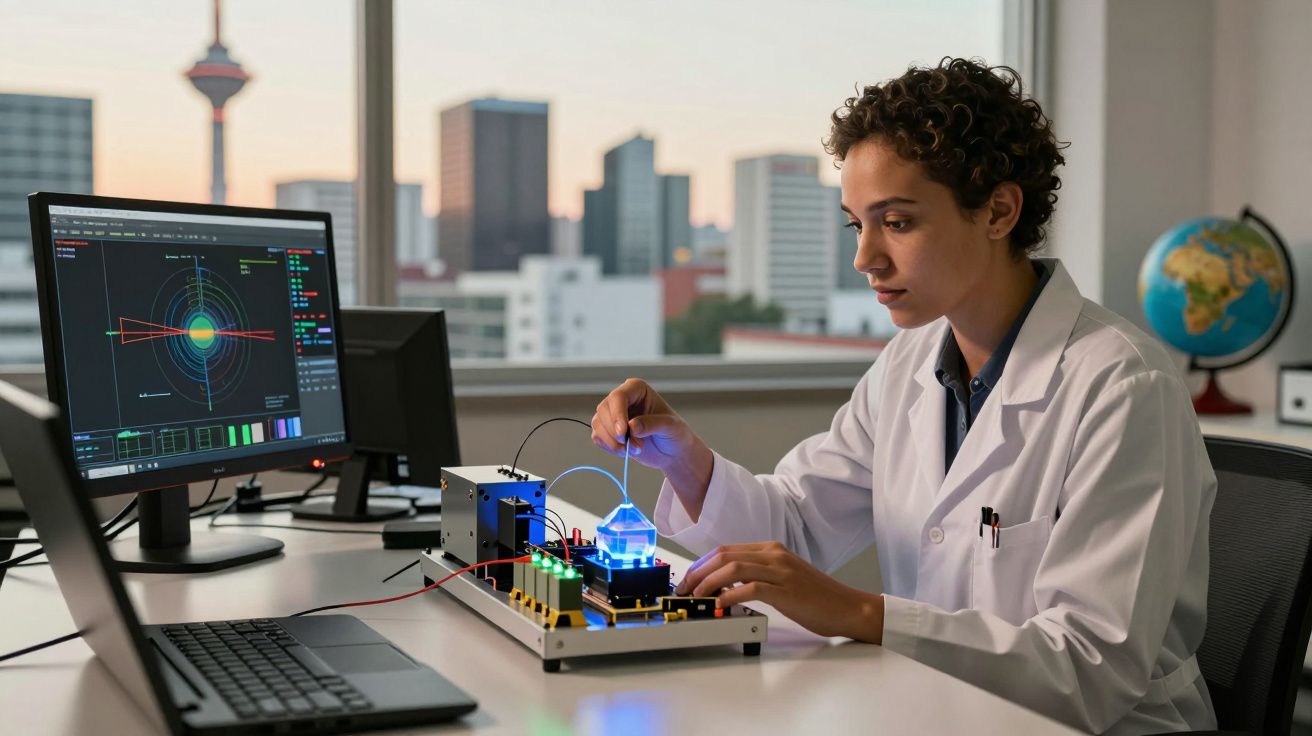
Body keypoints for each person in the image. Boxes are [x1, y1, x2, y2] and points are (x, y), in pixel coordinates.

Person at [591, 58, 1216, 735]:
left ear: (1000, 211)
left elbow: (1090, 669)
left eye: (897, 221)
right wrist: (684, 457)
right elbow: (797, 529)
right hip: (934, 710)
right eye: (855, 224)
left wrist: (863, 613)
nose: (865, 258)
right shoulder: (911, 363)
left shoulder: (1123, 387)